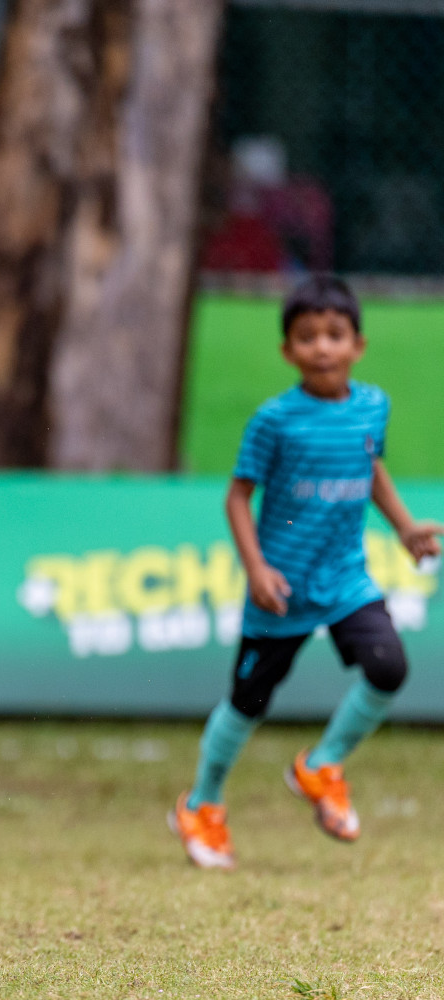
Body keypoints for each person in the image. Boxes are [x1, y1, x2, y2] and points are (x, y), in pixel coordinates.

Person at [170, 274, 442, 869]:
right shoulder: (275, 420)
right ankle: (202, 804)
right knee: (249, 701)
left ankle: (321, 767)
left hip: (346, 581)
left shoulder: (373, 406)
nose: (323, 346)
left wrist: (402, 528)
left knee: (389, 667)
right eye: (307, 336)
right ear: (287, 351)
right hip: (281, 590)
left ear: (358, 345)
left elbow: (370, 469)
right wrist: (258, 569)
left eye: (335, 334)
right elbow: (238, 498)